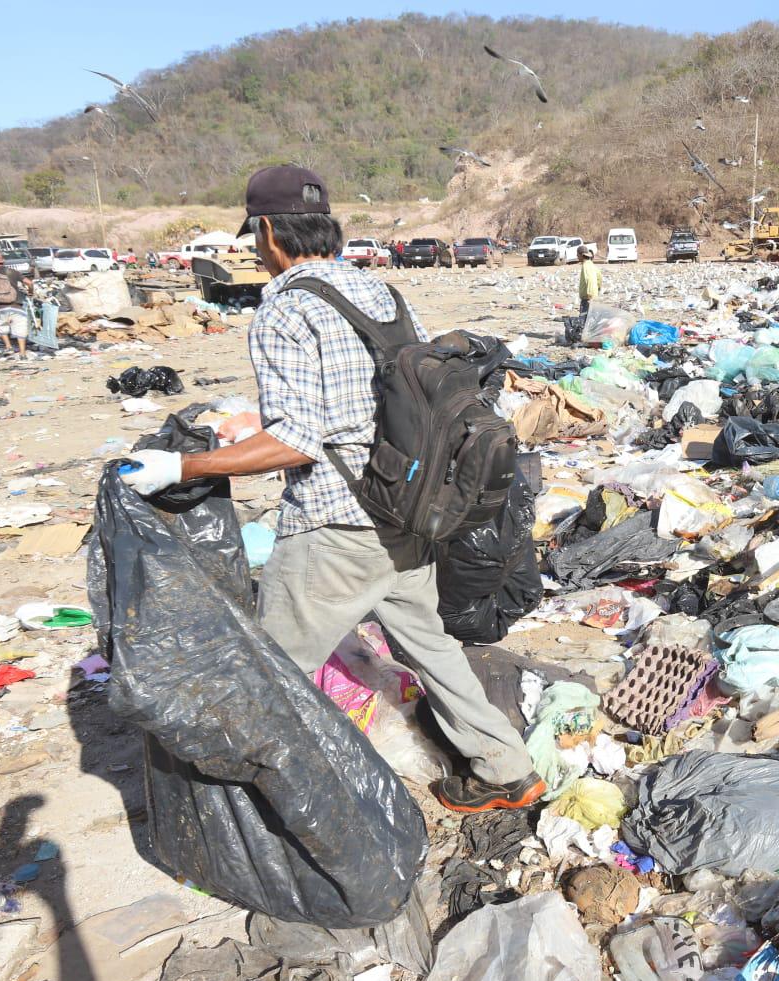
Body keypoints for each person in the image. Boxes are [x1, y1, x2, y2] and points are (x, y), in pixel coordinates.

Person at [118, 165, 544, 814]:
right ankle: (506, 769)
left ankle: (264, 814)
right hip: (410, 517)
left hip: (336, 528)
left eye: (254, 238)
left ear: (266, 232)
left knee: (271, 676)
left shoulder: (286, 308)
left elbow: (296, 442)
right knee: (432, 650)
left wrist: (181, 470)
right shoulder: (386, 297)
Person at [0, 251, 32, 360]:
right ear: (2, 261)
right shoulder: (13, 272)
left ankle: (8, 347)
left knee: (2, 327)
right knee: (20, 329)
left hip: (1, 307)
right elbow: (29, 283)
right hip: (16, 305)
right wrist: (31, 292)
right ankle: (22, 354)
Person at [576, 243, 599, 316]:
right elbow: (599, 277)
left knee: (584, 320)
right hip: (593, 297)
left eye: (577, 254)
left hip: (587, 299)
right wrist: (597, 289)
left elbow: (589, 279)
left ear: (582, 255)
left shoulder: (585, 265)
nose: (577, 256)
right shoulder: (591, 264)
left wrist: (589, 296)